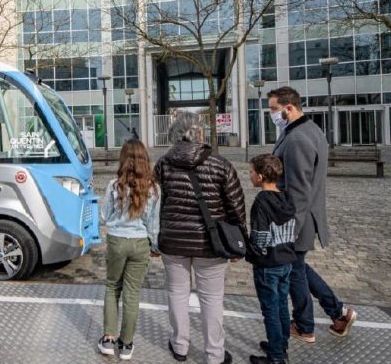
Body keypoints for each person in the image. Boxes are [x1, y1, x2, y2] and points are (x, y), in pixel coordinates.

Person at [153, 111, 246, 364]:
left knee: (177, 293)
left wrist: (155, 236)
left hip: (173, 241)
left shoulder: (163, 163)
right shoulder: (220, 163)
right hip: (211, 244)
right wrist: (240, 240)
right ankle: (214, 354)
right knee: (212, 299)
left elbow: (156, 204)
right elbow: (236, 205)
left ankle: (180, 345)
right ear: (200, 133)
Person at [268, 86, 358, 343]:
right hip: (305, 214)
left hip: (298, 217)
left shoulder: (297, 139)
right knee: (298, 267)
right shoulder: (309, 130)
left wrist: (291, 227)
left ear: (289, 108)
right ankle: (338, 312)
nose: (271, 114)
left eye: (274, 109)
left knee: (295, 271)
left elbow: (298, 188)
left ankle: (306, 325)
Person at [98, 139, 161, 361]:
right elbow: (153, 224)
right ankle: (126, 344)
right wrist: (155, 246)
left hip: (117, 241)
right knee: (132, 293)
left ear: (123, 160)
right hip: (140, 243)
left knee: (112, 286)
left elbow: (105, 216)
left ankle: (108, 339)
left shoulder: (114, 186)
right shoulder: (153, 188)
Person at [246, 154, 297, 364]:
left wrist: (251, 251)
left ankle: (276, 357)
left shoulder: (261, 202)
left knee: (270, 310)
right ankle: (281, 345)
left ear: (259, 176)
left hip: (268, 264)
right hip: (286, 259)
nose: (248, 175)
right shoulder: (286, 197)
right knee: (283, 306)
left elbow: (260, 238)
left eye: (250, 172)